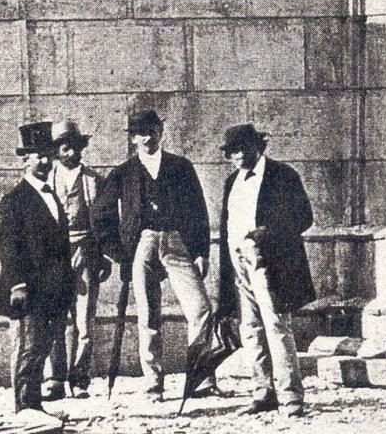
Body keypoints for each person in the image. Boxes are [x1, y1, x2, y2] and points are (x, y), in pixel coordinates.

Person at [92, 109, 213, 402]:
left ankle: (200, 379)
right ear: (133, 138)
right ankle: (153, 384)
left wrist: (201, 251)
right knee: (148, 316)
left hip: (177, 241)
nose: (147, 138)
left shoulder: (181, 167)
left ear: (161, 131)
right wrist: (119, 252)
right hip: (142, 244)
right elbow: (100, 214)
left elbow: (198, 211)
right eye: (140, 134)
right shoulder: (123, 173)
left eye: (152, 131)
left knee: (201, 309)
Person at [217, 124, 315, 418]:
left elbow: (303, 217)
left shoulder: (282, 175)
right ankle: (263, 393)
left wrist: (266, 233)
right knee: (250, 329)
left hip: (269, 260)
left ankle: (291, 397)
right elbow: (227, 226)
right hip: (239, 262)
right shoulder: (232, 181)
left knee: (276, 325)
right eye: (231, 152)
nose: (236, 156)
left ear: (258, 147)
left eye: (241, 149)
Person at [0, 122, 73, 427]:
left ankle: (35, 403)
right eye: (37, 156)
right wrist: (18, 284)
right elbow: (7, 247)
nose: (44, 161)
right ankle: (25, 406)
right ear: (25, 160)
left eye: (48, 155)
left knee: (43, 346)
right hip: (30, 289)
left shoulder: (50, 195)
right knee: (30, 346)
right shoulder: (15, 199)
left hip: (54, 289)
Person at [42, 120, 110, 401]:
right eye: (65, 148)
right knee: (55, 320)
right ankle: (55, 379)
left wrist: (104, 255)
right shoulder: (46, 181)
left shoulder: (94, 180)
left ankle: (79, 379)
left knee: (84, 321)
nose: (72, 153)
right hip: (55, 255)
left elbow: (104, 222)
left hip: (86, 252)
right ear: (56, 151)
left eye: (76, 147)